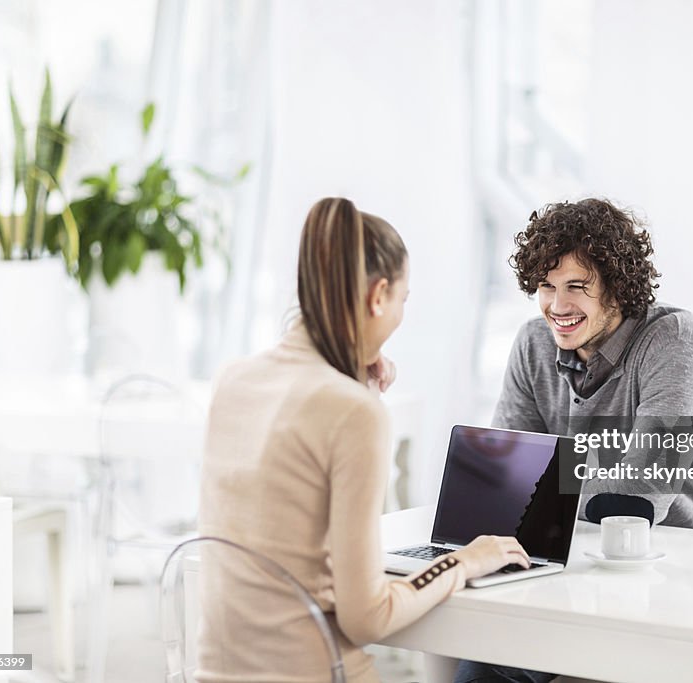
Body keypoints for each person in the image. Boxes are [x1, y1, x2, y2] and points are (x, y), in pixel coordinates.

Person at [197, 197, 531, 683]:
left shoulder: (233, 379)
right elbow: (366, 616)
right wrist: (465, 560)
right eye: (403, 299)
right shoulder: (356, 413)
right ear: (378, 296)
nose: (399, 315)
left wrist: (354, 380)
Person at [454, 197, 693, 683]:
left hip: (684, 578)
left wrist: (539, 490)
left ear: (618, 285)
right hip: (574, 567)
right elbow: (504, 487)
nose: (558, 306)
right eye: (547, 287)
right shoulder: (533, 345)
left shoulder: (675, 343)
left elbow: (634, 501)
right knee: (485, 649)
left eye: (577, 286)